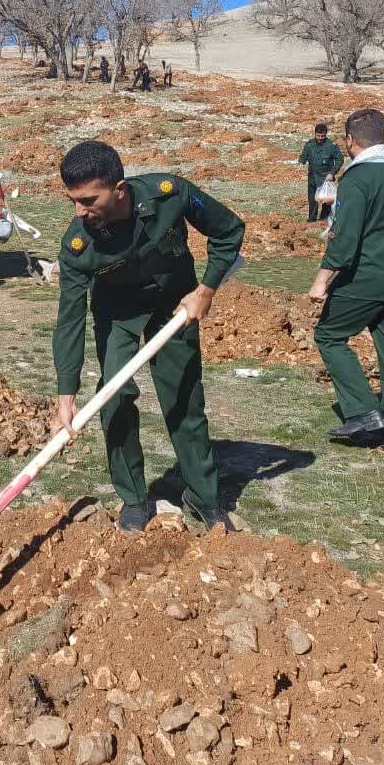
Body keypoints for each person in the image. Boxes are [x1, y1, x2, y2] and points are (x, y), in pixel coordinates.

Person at [52, 140, 245, 532]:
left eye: (88, 200)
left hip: (175, 304)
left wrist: (204, 291)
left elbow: (229, 231)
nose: (79, 211)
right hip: (117, 313)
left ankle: (203, 495)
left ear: (119, 190)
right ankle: (134, 499)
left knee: (184, 398)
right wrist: (65, 398)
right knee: (115, 397)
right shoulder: (78, 246)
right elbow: (69, 318)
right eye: (73, 200)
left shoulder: (169, 195)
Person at [310, 109, 384, 460]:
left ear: (350, 140)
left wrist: (321, 281)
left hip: (366, 279)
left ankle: (363, 411)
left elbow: (345, 241)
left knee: (329, 336)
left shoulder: (359, 179)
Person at [299, 122, 343, 221]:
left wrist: (332, 173)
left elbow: (340, 159)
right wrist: (301, 163)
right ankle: (312, 220)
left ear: (325, 135)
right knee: (312, 199)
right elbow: (303, 156)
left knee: (326, 199)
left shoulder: (331, 146)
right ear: (315, 134)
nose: (320, 138)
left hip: (325, 177)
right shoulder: (310, 145)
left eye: (322, 136)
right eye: (318, 136)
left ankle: (324, 219)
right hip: (313, 177)